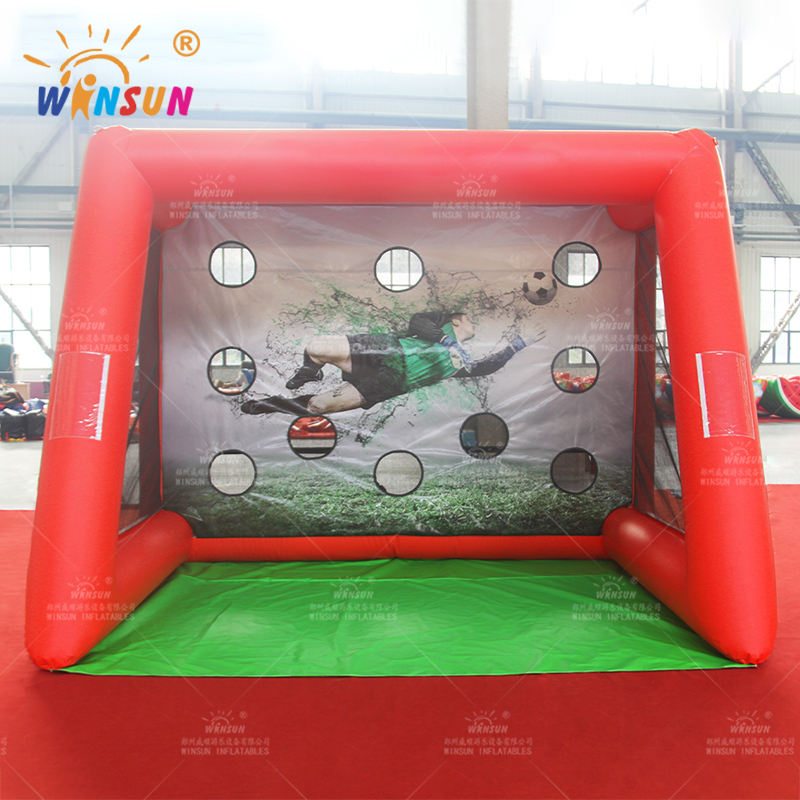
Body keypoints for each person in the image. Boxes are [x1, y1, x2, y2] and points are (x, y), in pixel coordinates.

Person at [241, 311, 545, 416]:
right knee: (317, 347)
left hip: (390, 383)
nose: (475, 323)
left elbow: (487, 366)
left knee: (318, 407)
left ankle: (270, 404)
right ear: (457, 320)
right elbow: (417, 321)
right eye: (471, 319)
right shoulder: (443, 325)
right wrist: (444, 339)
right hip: (385, 350)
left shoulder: (462, 361)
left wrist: (519, 344)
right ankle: (311, 370)